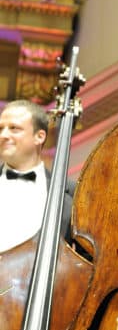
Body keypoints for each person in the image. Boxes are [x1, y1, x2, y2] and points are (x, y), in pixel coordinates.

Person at [0, 99, 75, 253]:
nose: (4, 135)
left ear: (39, 137)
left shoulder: (71, 192)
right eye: (1, 128)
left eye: (14, 128)